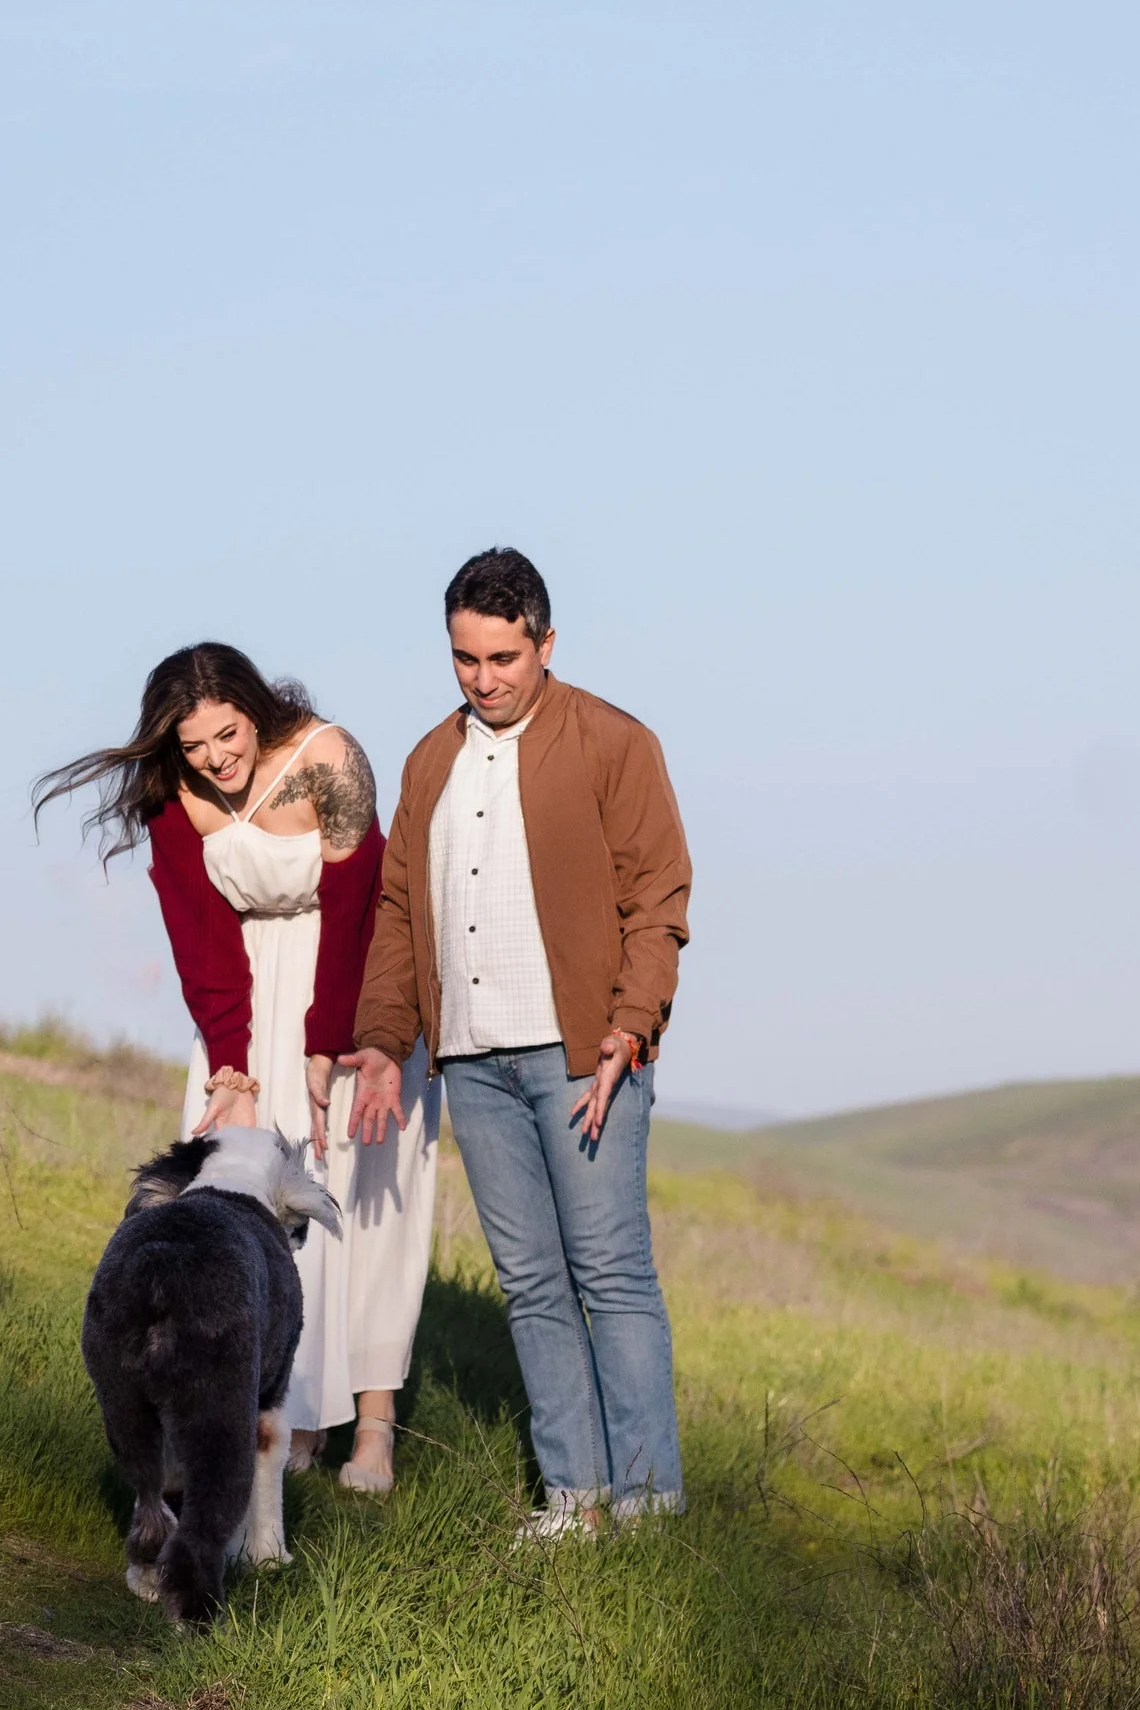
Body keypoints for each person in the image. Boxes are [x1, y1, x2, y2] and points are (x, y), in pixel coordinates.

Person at [345, 547, 691, 1537]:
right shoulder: (426, 761)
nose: (485, 678)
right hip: (473, 1062)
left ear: (545, 643)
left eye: (504, 656)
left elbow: (658, 896)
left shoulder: (612, 743)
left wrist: (631, 1025)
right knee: (532, 1284)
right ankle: (575, 1499)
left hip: (585, 1058)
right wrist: (382, 1038)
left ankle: (648, 1506)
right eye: (465, 658)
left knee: (610, 1274)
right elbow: (399, 907)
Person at [38, 643, 440, 1491]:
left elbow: (359, 904)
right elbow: (201, 934)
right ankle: (282, 1416)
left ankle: (372, 1430)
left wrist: (328, 1045)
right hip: (241, 1006)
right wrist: (233, 1068)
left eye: (228, 734)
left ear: (255, 708)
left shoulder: (329, 759)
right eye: (196, 747)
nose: (217, 758)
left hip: (351, 987)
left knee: (359, 1199)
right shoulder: (174, 793)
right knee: (246, 1211)